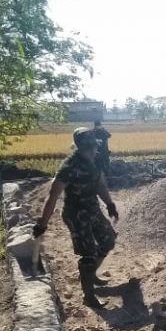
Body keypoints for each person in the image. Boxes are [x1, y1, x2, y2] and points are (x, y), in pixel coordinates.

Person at [35, 127, 119, 309]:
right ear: (81, 147)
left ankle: (91, 274)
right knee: (88, 254)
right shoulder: (69, 167)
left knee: (108, 240)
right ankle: (88, 296)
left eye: (94, 146)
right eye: (90, 147)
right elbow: (53, 196)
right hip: (76, 215)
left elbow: (100, 185)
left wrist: (110, 204)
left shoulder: (94, 161)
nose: (93, 150)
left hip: (93, 210)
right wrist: (42, 223)